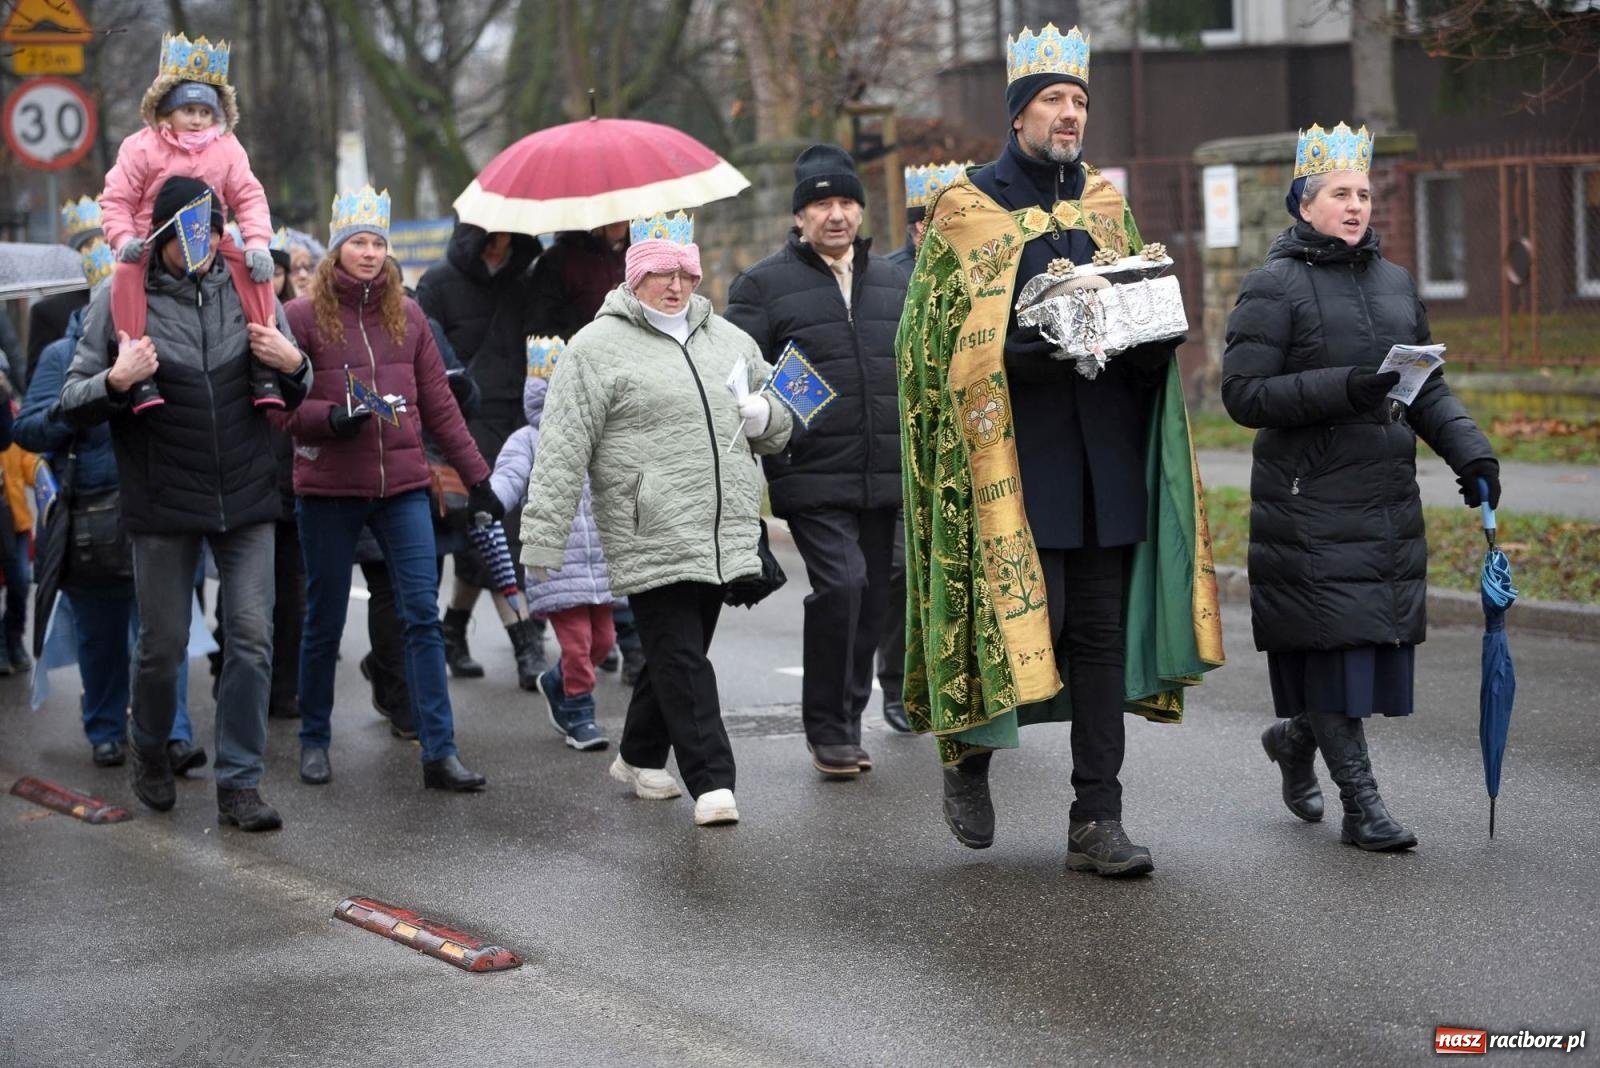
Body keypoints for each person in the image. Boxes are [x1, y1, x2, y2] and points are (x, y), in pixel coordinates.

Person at [897, 23, 1225, 876]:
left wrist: (1152, 336)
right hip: (1010, 465)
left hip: (1104, 461)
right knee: (1012, 625)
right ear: (1018, 114)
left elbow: (1136, 310)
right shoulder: (965, 210)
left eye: (1079, 100)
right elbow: (930, 348)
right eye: (1053, 99)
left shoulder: (1107, 204)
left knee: (1098, 638)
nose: (1070, 113)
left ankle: (1096, 818)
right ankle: (969, 758)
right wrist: (1025, 350)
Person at [1222, 122, 1500, 852]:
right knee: (1330, 649)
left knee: (1360, 652)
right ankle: (1363, 807)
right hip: (1306, 500)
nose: (1355, 206)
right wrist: (1346, 387)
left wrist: (1471, 454)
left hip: (1383, 498)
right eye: (1340, 194)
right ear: (1303, 203)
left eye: (1364, 194)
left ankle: (1294, 739)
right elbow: (1244, 395)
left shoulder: (1396, 283)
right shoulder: (1272, 285)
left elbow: (1423, 387)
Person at [521, 212, 792, 827]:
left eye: (686, 273)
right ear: (634, 277)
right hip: (648, 528)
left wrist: (766, 416)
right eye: (662, 274)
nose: (676, 285)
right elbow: (561, 446)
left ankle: (640, 753)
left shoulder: (728, 339)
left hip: (720, 527)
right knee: (682, 659)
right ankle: (713, 782)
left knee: (678, 652)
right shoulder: (594, 349)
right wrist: (543, 537)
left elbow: (782, 412)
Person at [58, 175, 310, 830]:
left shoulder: (252, 287)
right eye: (190, 235)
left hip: (246, 494)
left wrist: (294, 362)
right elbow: (70, 402)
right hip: (163, 496)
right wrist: (117, 379)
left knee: (251, 638)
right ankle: (148, 747)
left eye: (212, 233)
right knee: (163, 645)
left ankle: (240, 783)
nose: (202, 248)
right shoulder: (120, 296)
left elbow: (296, 385)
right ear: (164, 235)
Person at [275, 185, 498, 792]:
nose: (370, 253)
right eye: (358, 243)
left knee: (421, 616)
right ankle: (314, 738)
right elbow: (279, 410)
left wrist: (478, 477)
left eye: (377, 243)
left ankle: (440, 751)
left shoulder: (409, 314)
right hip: (328, 490)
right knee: (323, 619)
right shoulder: (301, 317)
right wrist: (330, 418)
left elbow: (441, 406)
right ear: (337, 250)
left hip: (401, 487)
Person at [724, 144, 908, 778]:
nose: (837, 215)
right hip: (808, 471)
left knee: (874, 596)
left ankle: (848, 722)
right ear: (799, 216)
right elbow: (738, 374)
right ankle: (827, 728)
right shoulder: (762, 285)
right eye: (823, 204)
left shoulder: (894, 282)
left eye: (848, 202)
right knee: (843, 585)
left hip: (884, 472)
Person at [100, 32, 280, 409]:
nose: (197, 120)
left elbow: (249, 196)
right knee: (125, 278)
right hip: (153, 238)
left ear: (217, 115)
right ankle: (137, 365)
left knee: (255, 274)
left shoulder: (227, 148)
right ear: (166, 111)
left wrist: (258, 244)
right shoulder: (140, 147)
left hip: (211, 236)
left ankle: (265, 359)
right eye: (188, 111)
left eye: (205, 112)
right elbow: (117, 199)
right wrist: (123, 239)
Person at [416, 222, 546, 686]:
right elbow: (424, 359)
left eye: (508, 238)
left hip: (515, 420)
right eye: (490, 239)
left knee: (491, 534)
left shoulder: (525, 282)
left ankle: (453, 628)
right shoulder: (436, 284)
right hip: (461, 426)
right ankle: (525, 643)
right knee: (492, 532)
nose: (498, 247)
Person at [526, 222, 646, 686]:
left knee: (633, 522)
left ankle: (631, 641)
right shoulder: (559, 263)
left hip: (634, 400)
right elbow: (540, 331)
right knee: (598, 528)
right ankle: (620, 641)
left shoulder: (643, 252)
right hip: (582, 397)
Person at [492, 336, 613, 752]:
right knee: (577, 646)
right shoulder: (528, 439)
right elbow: (509, 475)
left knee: (603, 642)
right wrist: (493, 500)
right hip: (556, 563)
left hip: (600, 564)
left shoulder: (597, 434)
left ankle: (557, 681)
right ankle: (579, 714)